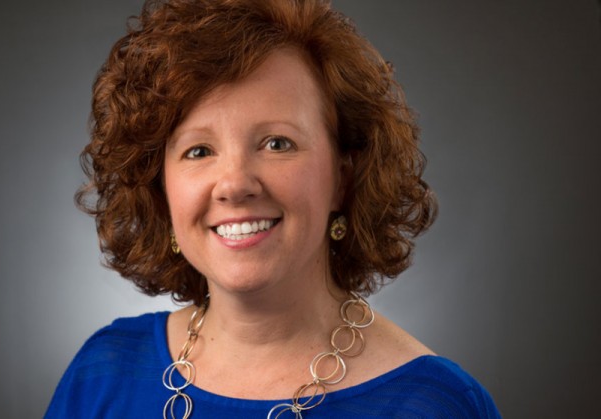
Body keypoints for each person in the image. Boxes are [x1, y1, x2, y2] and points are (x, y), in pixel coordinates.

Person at [46, 0, 500, 417]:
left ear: (343, 179)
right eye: (199, 151)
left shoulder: (436, 404)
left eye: (277, 143)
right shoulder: (103, 373)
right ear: (160, 189)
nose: (235, 185)